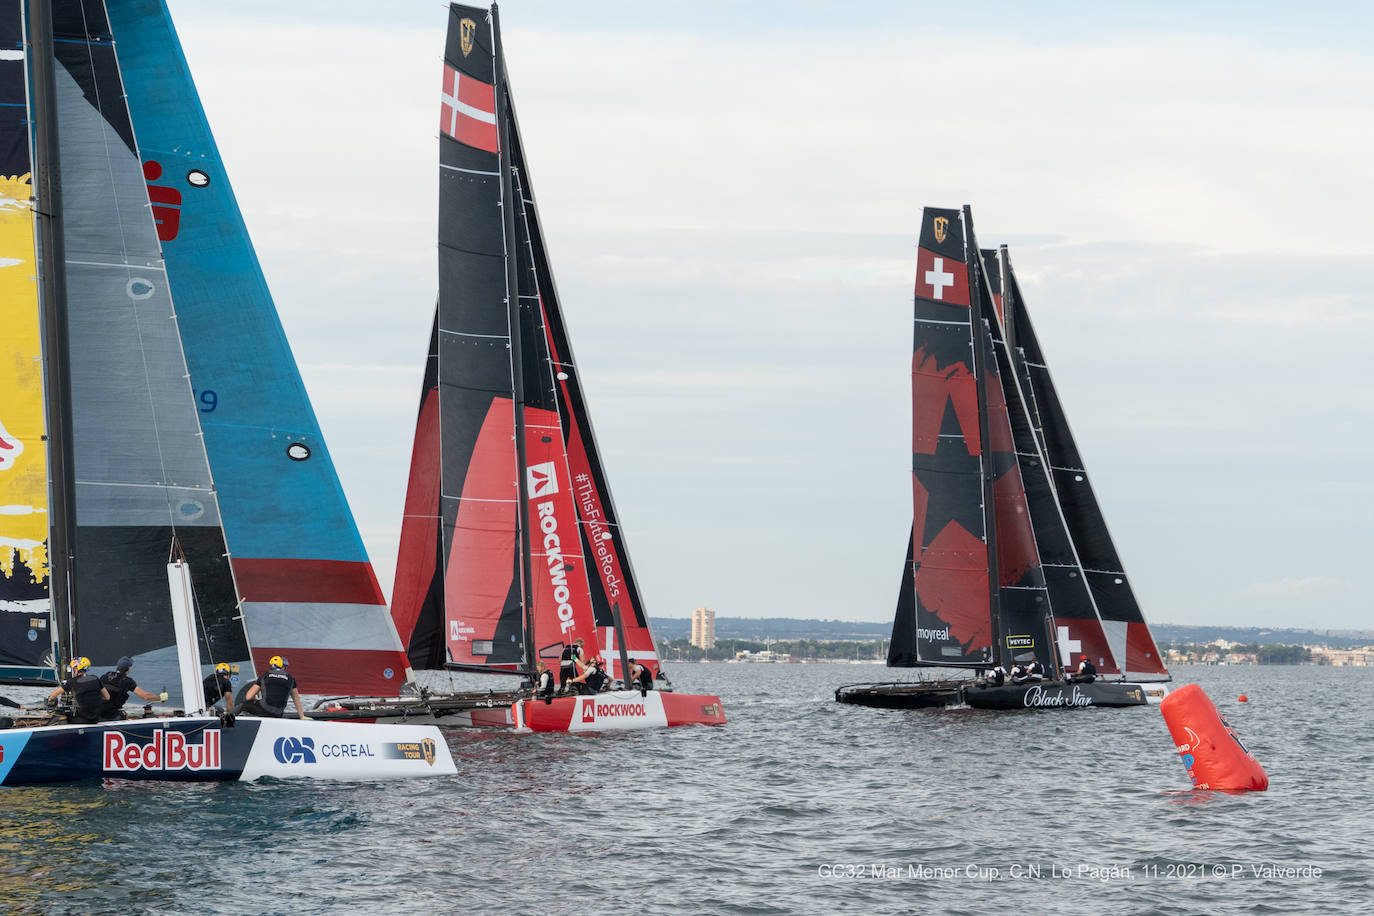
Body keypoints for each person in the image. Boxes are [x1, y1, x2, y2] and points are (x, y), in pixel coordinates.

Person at [98, 656, 165, 720]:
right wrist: (161, 697)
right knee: (125, 715)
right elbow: (145, 696)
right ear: (129, 668)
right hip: (110, 715)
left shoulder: (105, 676)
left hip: (97, 712)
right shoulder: (127, 681)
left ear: (117, 667)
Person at [240, 655, 305, 719]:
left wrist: (255, 700)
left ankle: (230, 720)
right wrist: (302, 716)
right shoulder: (291, 679)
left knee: (242, 705)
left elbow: (248, 697)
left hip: (263, 711)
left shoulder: (264, 676)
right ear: (282, 667)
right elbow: (296, 699)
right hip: (278, 714)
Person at [47, 657, 109, 724]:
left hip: (81, 719)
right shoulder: (95, 678)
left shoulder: (72, 681)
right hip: (96, 718)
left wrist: (51, 704)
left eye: (73, 669)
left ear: (77, 669)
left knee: (60, 713)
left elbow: (53, 695)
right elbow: (107, 697)